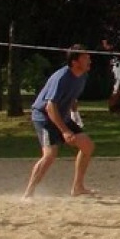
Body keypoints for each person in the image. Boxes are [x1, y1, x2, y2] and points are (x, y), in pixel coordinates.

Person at [23, 45, 97, 200]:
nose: (89, 59)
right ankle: (28, 193)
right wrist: (65, 131)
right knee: (50, 155)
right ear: (75, 62)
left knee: (87, 145)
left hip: (61, 115)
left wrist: (75, 115)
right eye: (85, 57)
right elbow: (50, 106)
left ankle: (78, 187)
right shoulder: (61, 77)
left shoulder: (82, 76)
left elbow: (71, 98)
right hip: (44, 117)